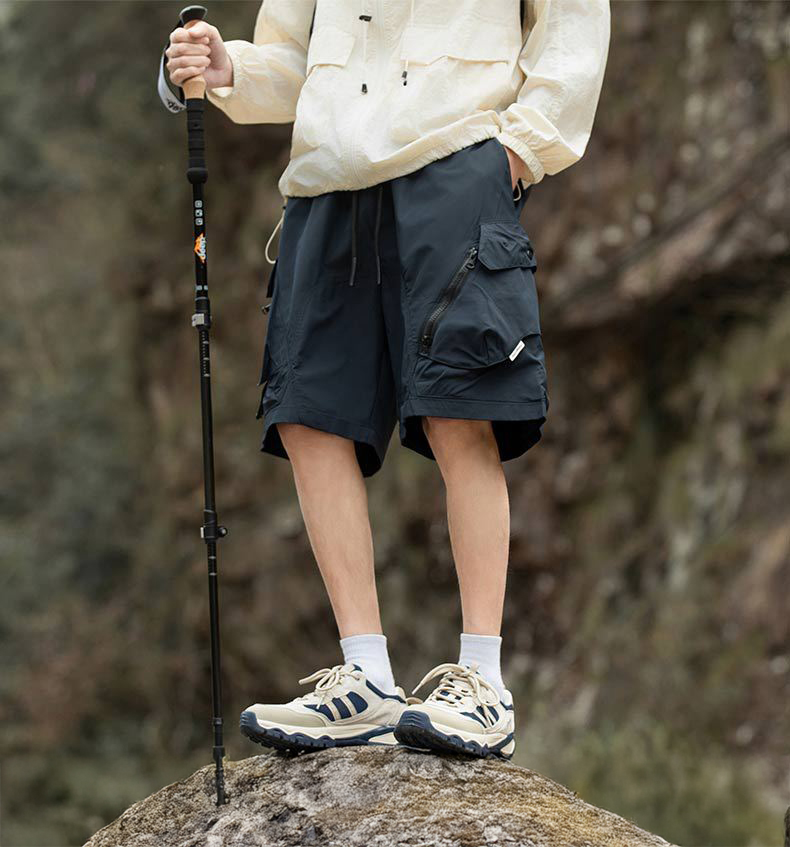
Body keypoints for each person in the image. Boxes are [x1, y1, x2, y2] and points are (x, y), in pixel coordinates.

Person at [167, 0, 610, 760]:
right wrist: (227, 67)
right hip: (326, 179)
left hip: (457, 160)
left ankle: (483, 680)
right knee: (307, 412)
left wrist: (516, 152)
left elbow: (571, 27)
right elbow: (292, 60)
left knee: (460, 409)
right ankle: (366, 676)